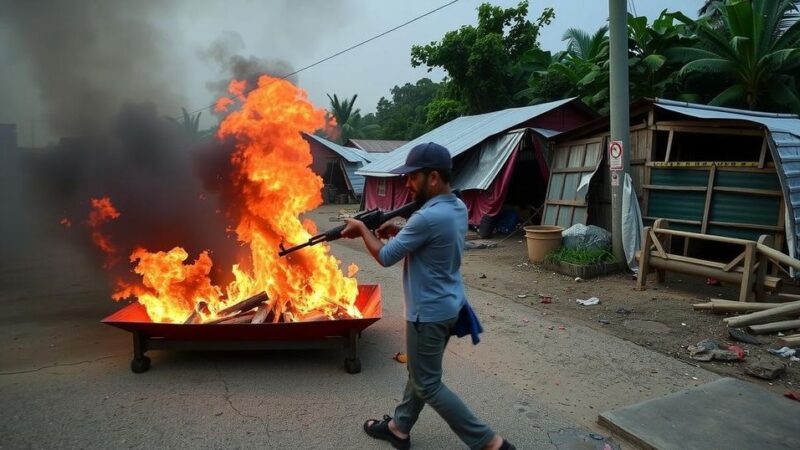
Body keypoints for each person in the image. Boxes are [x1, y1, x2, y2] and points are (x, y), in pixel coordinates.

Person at [340, 142, 515, 450]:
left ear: (433, 177)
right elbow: (430, 239)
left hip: (427, 313)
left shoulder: (426, 218)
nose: (407, 184)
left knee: (428, 383)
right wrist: (398, 231)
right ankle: (399, 427)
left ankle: (490, 443)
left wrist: (361, 229)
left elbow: (385, 257)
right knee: (421, 371)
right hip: (448, 304)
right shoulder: (456, 207)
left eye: (412, 177)